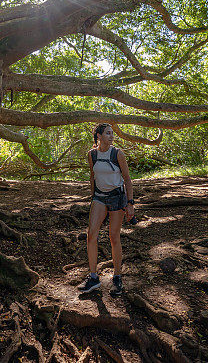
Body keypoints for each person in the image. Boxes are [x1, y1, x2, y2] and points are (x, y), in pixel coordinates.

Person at [77, 123, 135, 296]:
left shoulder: (118, 154)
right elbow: (92, 176)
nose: (111, 136)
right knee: (91, 235)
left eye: (112, 133)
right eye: (108, 133)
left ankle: (117, 277)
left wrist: (130, 203)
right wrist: (93, 196)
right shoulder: (92, 155)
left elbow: (127, 179)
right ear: (99, 136)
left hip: (117, 198)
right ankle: (93, 277)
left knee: (113, 237)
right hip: (99, 198)